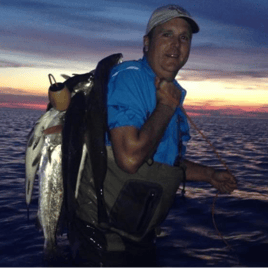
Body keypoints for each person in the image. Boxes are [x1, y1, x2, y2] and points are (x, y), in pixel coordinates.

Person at [71, 4, 237, 268]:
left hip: (139, 237)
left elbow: (161, 162)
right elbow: (129, 158)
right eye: (166, 34)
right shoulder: (131, 78)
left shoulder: (170, 92)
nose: (176, 44)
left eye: (184, 37)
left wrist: (209, 175)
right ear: (147, 43)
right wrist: (166, 106)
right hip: (103, 243)